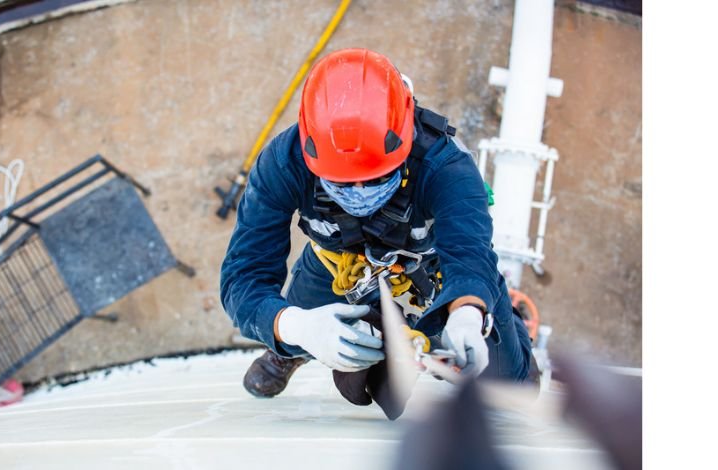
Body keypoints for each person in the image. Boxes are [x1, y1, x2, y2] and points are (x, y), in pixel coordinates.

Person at [220, 48, 533, 417]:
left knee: (511, 387)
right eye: (340, 183)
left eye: (374, 179)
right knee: (289, 326)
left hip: (428, 262)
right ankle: (288, 346)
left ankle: (498, 311)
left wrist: (468, 310)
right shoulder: (283, 164)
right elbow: (243, 276)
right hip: (336, 261)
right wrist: (293, 326)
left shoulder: (447, 167)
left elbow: (469, 252)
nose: (358, 197)